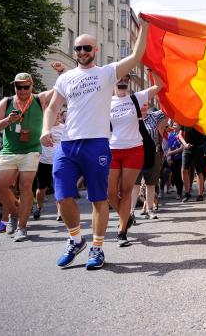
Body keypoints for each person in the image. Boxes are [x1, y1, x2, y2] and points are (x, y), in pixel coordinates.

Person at [40, 22, 149, 270]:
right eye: (78, 48)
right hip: (67, 144)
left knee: (98, 198)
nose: (82, 52)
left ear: (95, 50)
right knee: (62, 196)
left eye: (86, 48)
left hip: (97, 144)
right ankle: (76, 239)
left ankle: (97, 248)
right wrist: (46, 129)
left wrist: (144, 27)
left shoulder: (107, 73)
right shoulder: (66, 78)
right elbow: (53, 107)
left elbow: (136, 56)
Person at [0, 68, 62, 241]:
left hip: (32, 150)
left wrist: (61, 73)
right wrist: (8, 120)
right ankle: (15, 213)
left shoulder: (38, 99)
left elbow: (57, 90)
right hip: (9, 151)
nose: (22, 90)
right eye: (18, 87)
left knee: (25, 185)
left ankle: (22, 227)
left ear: (31, 86)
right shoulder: (6, 102)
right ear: (14, 87)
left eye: (25, 87)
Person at [108, 72, 162, 245]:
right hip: (112, 150)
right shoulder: (105, 101)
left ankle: (122, 231)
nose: (123, 82)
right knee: (110, 193)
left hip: (134, 150)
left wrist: (153, 69)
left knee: (125, 191)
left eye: (126, 79)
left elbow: (159, 86)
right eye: (120, 79)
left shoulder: (136, 98)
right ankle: (127, 217)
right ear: (113, 81)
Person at [34, 111, 65, 220]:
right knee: (41, 188)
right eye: (55, 114)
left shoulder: (64, 128)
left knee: (58, 187)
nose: (57, 116)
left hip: (59, 161)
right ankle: (39, 207)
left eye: (58, 114)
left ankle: (60, 212)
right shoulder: (43, 128)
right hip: (44, 162)